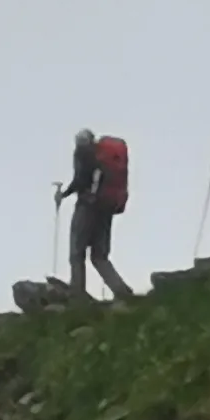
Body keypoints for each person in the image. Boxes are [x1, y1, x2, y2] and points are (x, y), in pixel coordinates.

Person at [56, 128, 134, 300]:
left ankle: (78, 294)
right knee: (99, 255)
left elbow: (80, 180)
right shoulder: (106, 156)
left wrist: (64, 194)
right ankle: (121, 291)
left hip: (87, 206)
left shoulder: (83, 153)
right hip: (107, 207)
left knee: (77, 252)